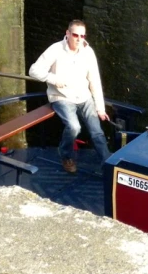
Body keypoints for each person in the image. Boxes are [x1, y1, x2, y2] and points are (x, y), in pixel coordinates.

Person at [29, 20, 110, 173]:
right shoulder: (55, 49)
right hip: (62, 97)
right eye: (75, 35)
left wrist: (100, 108)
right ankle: (66, 155)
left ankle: (107, 164)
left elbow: (94, 80)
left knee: (96, 131)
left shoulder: (88, 52)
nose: (79, 39)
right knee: (74, 127)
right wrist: (54, 79)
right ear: (67, 34)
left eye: (82, 35)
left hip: (84, 96)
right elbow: (34, 70)